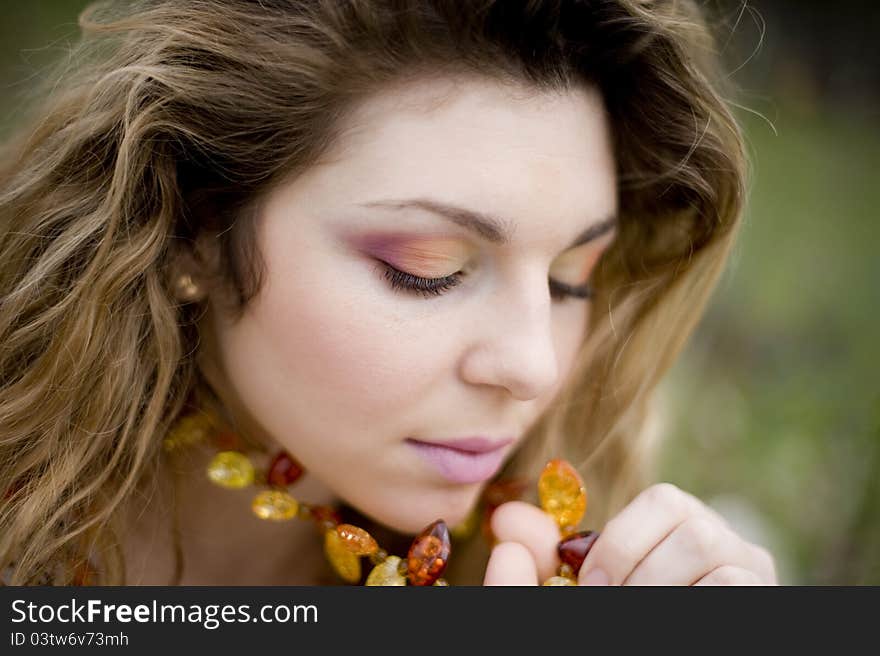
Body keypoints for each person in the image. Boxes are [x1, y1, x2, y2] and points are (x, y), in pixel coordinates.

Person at [0, 0, 777, 586]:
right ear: (194, 230)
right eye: (427, 267)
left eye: (569, 281)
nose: (534, 367)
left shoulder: (589, 559)